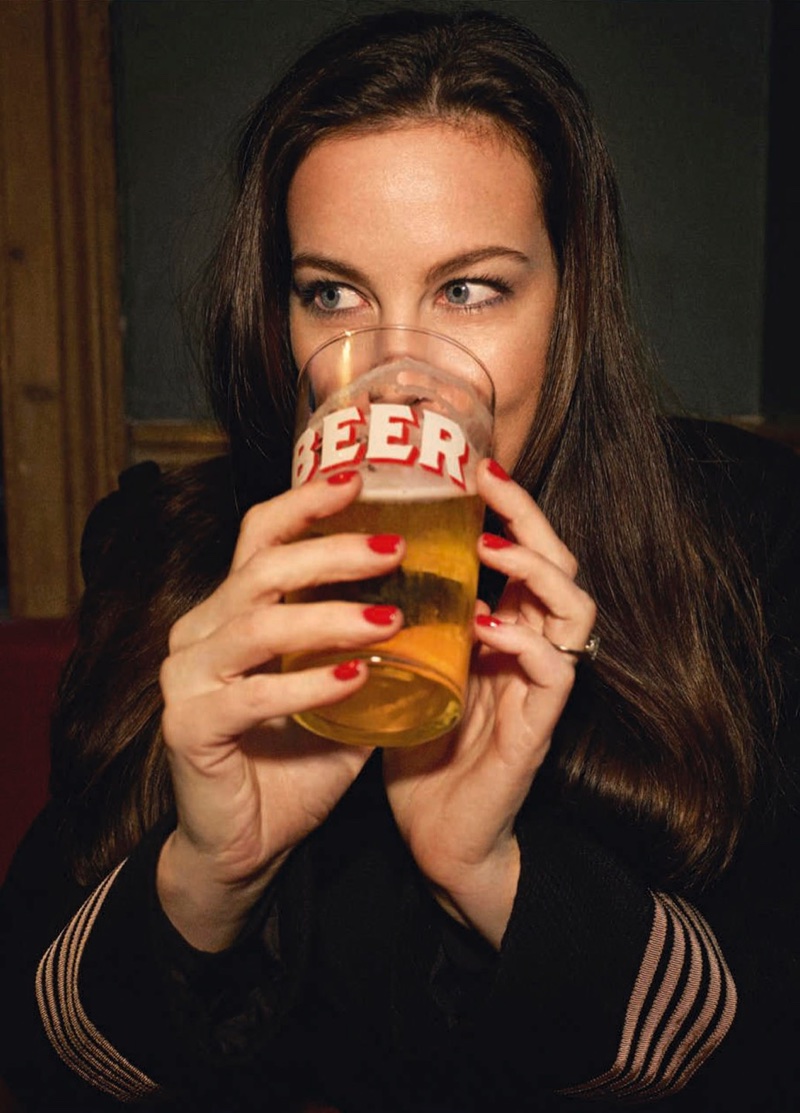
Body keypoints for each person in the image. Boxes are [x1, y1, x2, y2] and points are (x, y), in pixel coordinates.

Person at [1, 7, 798, 1111]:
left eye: (468, 288)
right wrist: (203, 880)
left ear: (569, 302)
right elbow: (30, 1060)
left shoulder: (741, 547)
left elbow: (760, 1054)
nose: (399, 375)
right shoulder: (171, 556)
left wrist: (499, 880)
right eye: (332, 294)